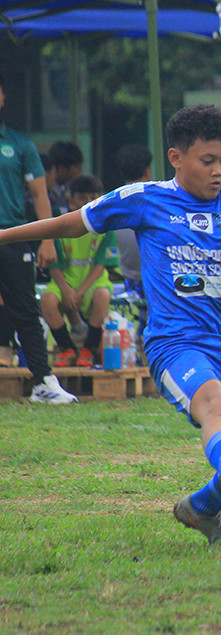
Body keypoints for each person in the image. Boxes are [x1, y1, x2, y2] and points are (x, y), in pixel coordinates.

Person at [0, 104, 221, 545]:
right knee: (217, 409)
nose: (218, 171)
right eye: (207, 161)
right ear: (176, 158)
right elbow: (70, 225)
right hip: (173, 344)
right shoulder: (144, 198)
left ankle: (200, 509)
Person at [0, 71, 77, 402]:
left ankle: (43, 382)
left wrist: (47, 239)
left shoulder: (18, 144)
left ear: (2, 98)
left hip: (13, 236)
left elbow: (40, 193)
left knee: (25, 309)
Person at [42, 174, 117, 368]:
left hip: (92, 282)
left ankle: (89, 350)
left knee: (102, 295)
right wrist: (66, 290)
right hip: (65, 281)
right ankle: (67, 348)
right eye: (82, 197)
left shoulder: (106, 226)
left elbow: (101, 266)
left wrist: (80, 292)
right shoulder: (61, 224)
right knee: (47, 300)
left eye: (94, 197)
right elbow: (54, 265)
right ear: (70, 200)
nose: (89, 202)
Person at [112, 144, 154, 297]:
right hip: (153, 285)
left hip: (120, 285)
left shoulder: (110, 204)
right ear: (147, 172)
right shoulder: (157, 202)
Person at [47, 140, 84, 216]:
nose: (80, 170)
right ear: (62, 168)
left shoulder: (71, 187)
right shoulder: (45, 191)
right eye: (77, 167)